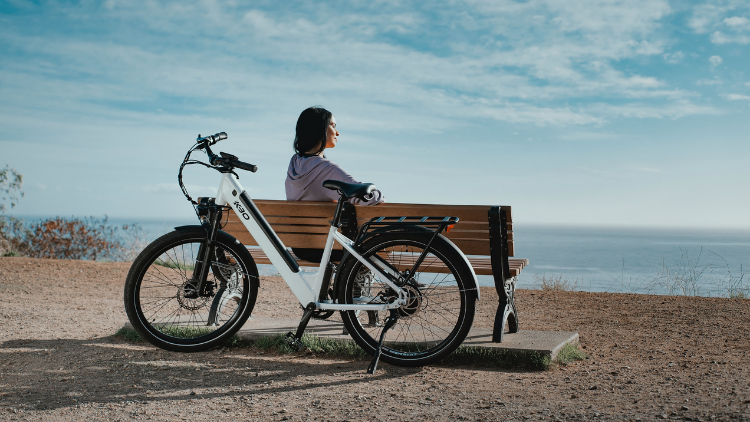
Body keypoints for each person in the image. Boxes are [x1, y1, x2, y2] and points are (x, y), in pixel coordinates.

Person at [285, 106, 384, 264]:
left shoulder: (294, 164)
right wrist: (378, 194)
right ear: (319, 129)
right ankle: (359, 284)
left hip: (300, 247)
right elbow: (367, 198)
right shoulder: (325, 169)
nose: (337, 132)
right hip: (331, 247)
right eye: (333, 126)